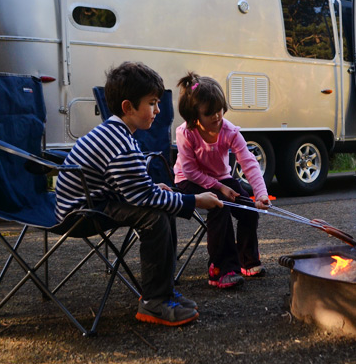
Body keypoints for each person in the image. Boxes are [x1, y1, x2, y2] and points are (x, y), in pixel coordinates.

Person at [55, 62, 222, 326]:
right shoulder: (120, 142)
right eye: (152, 103)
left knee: (164, 206)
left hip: (99, 198)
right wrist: (194, 200)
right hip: (81, 210)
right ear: (128, 107)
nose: (158, 110)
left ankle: (163, 291)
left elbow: (136, 187)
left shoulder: (118, 133)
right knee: (155, 216)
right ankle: (153, 302)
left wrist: (157, 190)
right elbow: (141, 197)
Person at [173, 72, 271, 289]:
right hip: (189, 181)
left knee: (248, 208)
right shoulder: (186, 133)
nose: (217, 116)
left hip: (221, 178)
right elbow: (189, 171)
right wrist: (219, 188)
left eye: (220, 109)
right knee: (219, 205)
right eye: (210, 113)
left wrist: (261, 193)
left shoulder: (230, 131)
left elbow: (249, 162)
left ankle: (247, 260)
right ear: (193, 116)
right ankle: (221, 268)